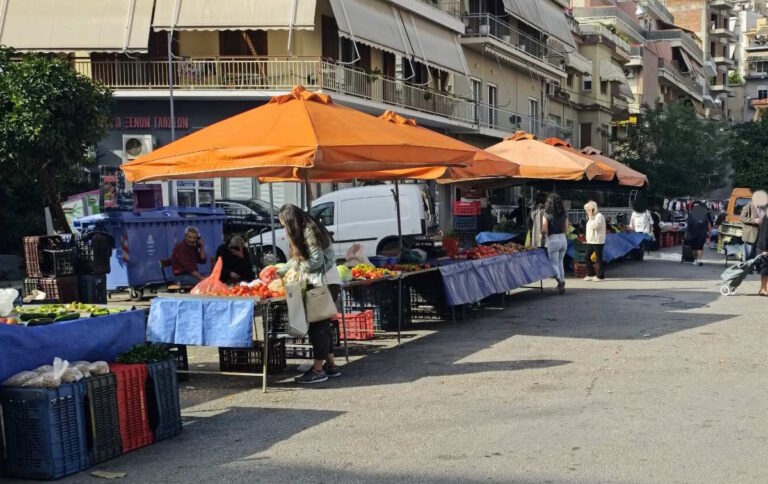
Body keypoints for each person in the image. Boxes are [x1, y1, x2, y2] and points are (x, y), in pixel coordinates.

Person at [276, 204, 342, 384]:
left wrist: (295, 269)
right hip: (327, 282)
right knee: (323, 326)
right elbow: (297, 258)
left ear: (290, 221)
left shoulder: (308, 232)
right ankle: (331, 366)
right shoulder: (310, 228)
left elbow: (315, 261)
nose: (284, 228)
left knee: (317, 328)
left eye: (284, 224)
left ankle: (317, 370)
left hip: (322, 283)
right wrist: (281, 271)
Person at [541, 193, 568, 294]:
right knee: (560, 262)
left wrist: (542, 235)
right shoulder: (564, 214)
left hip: (553, 239)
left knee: (554, 263)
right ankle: (561, 282)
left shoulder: (546, 214)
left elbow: (544, 229)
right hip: (563, 238)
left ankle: (560, 282)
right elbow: (566, 228)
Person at [584, 201, 606, 282]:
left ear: (593, 209)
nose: (587, 211)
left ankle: (600, 276)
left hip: (598, 241)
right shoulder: (591, 217)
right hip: (590, 241)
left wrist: (590, 217)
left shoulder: (599, 216)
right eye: (586, 210)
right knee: (586, 257)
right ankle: (591, 274)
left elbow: (596, 226)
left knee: (598, 258)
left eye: (588, 209)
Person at [740, 197, 761, 263]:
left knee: (755, 253)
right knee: (748, 253)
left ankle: (753, 266)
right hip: (750, 235)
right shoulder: (747, 207)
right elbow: (742, 218)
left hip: (759, 234)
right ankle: (748, 266)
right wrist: (754, 220)